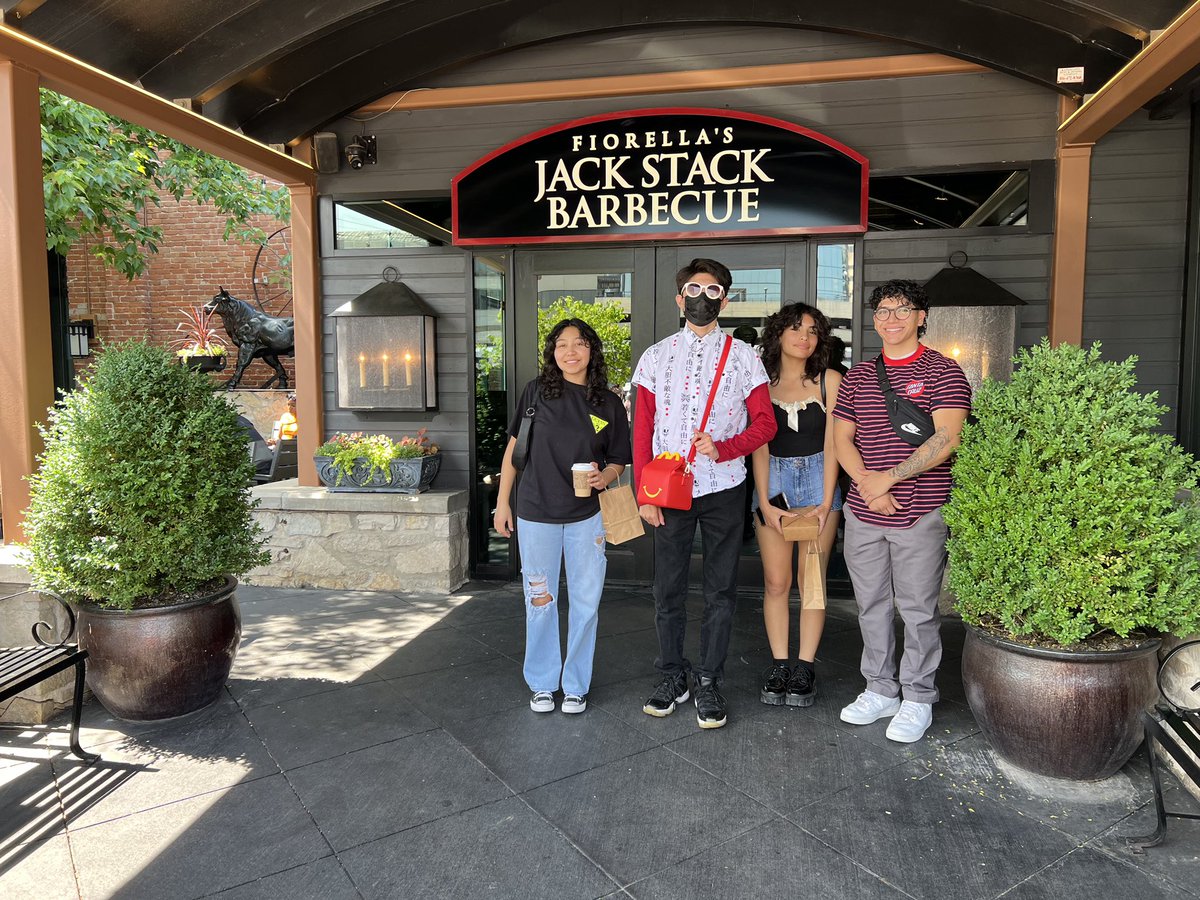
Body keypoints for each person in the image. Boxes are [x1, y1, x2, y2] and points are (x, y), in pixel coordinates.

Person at [633, 258, 776, 729]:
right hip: (668, 490)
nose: (702, 296)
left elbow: (766, 424)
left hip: (724, 489)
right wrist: (643, 493)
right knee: (667, 588)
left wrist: (725, 448)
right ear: (679, 298)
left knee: (720, 590)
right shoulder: (654, 356)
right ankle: (673, 675)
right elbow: (642, 431)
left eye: (713, 290)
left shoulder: (744, 357)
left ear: (725, 300)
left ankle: (710, 679)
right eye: (693, 288)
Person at [832, 279, 971, 743]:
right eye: (883, 311)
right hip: (864, 511)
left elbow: (946, 439)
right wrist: (869, 488)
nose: (891, 318)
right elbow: (841, 439)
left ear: (921, 316)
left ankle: (917, 696)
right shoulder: (857, 376)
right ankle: (880, 688)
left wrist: (887, 479)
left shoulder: (944, 371)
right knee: (870, 606)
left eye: (901, 309)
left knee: (918, 609)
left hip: (919, 511)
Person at [494, 319, 631, 715]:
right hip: (536, 512)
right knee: (540, 600)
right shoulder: (536, 392)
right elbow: (514, 450)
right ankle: (541, 682)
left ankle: (575, 685)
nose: (570, 351)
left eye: (579, 344)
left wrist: (603, 475)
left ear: (592, 350)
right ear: (553, 352)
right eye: (561, 344)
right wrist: (504, 503)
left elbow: (619, 459)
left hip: (586, 516)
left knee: (586, 603)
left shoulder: (607, 402)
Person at [751, 303, 842, 708]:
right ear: (778, 335)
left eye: (812, 330)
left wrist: (825, 501)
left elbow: (834, 444)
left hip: (820, 484)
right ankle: (779, 663)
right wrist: (765, 502)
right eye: (795, 329)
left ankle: (804, 667)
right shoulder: (760, 384)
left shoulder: (830, 382)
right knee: (776, 582)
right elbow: (759, 446)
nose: (804, 337)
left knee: (812, 583)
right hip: (774, 484)